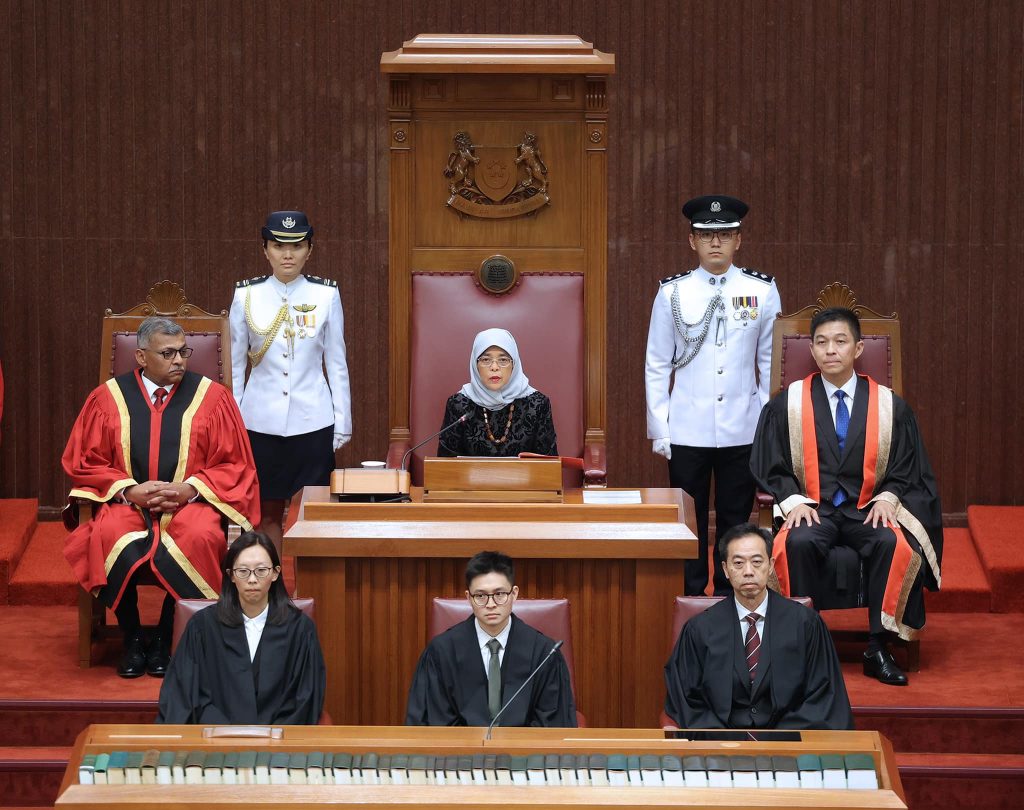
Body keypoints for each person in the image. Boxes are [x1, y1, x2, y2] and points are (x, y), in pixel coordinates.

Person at [750, 307, 943, 686]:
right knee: (796, 544)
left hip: (866, 508)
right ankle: (803, 646)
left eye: (840, 341)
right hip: (813, 509)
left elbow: (907, 465)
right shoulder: (787, 404)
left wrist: (888, 496)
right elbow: (768, 463)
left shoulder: (890, 405)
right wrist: (792, 500)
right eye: (821, 342)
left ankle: (877, 646)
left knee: (892, 542)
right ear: (812, 348)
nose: (830, 350)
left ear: (857, 348)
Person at [63, 317, 260, 678]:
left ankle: (166, 634)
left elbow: (235, 464)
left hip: (191, 504)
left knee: (201, 536)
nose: (180, 360)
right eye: (167, 353)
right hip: (127, 504)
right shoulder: (108, 398)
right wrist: (128, 489)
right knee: (109, 535)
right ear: (140, 356)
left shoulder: (212, 399)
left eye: (183, 352)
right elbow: (85, 460)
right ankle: (133, 636)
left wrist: (190, 489)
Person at [645, 195, 782, 597]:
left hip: (742, 427)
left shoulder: (761, 290)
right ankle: (688, 595)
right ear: (692, 242)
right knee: (687, 519)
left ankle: (728, 594)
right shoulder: (672, 293)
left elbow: (770, 364)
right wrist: (660, 427)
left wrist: (764, 423)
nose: (716, 243)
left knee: (734, 518)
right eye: (707, 236)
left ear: (738, 240)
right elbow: (657, 363)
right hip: (687, 427)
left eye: (724, 234)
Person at [229, 211, 352, 555]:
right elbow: (236, 366)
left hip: (313, 418)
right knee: (266, 512)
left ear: (309, 250)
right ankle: (272, 589)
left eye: (296, 246)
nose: (287, 254)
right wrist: (236, 421)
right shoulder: (246, 296)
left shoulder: (326, 295)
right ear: (265, 249)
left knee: (314, 508)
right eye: (278, 245)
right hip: (259, 421)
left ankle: (314, 591)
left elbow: (337, 362)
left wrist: (343, 421)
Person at [664, 523, 853, 730]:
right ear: (725, 569)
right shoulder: (699, 629)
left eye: (756, 562)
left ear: (771, 565)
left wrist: (778, 740)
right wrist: (723, 740)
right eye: (738, 563)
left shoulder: (806, 624)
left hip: (787, 747)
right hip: (722, 747)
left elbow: (823, 695)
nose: (748, 572)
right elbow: (685, 697)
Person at [157, 531, 326, 724]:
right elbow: (185, 692)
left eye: (261, 570)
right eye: (243, 571)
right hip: (215, 741)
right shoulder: (202, 626)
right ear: (231, 575)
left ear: (275, 573)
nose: (252, 580)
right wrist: (224, 735)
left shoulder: (300, 629)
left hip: (278, 744)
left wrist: (270, 740)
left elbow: (305, 697)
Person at [405, 550, 576, 727]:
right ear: (468, 598)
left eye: (499, 594)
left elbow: (553, 724)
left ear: (514, 594)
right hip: (460, 752)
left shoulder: (544, 654)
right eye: (480, 596)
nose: (491, 604)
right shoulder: (441, 652)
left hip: (524, 753)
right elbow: (434, 721)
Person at [437, 328, 557, 457]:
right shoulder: (458, 404)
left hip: (527, 478)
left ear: (514, 365)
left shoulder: (537, 404)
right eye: (486, 360)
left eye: (503, 360)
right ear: (475, 365)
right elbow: (445, 466)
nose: (494, 367)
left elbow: (548, 465)